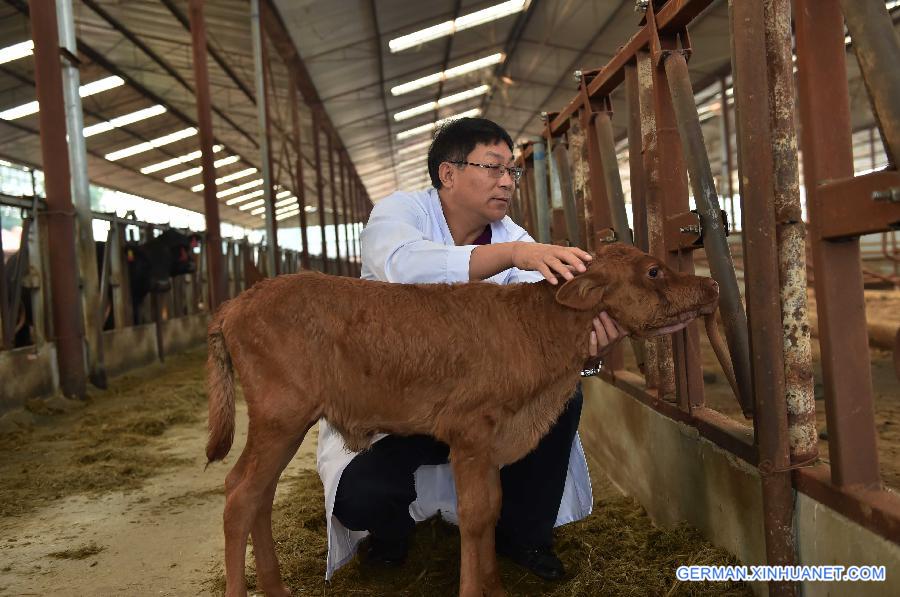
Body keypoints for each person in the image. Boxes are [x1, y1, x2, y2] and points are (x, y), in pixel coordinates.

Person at [315, 117, 627, 582]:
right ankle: (391, 533)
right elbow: (405, 271)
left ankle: (523, 537)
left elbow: (547, 334)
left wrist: (586, 349)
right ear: (448, 174)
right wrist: (512, 257)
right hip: (397, 408)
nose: (507, 182)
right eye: (494, 167)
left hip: (479, 409)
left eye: (513, 172)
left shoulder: (519, 241)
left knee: (561, 399)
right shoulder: (401, 213)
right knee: (361, 496)